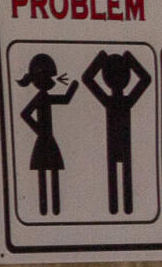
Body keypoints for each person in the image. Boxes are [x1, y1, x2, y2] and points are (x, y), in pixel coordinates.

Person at [81, 49, 151, 215]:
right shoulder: (123, 101)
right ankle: (121, 208)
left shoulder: (110, 100)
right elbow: (145, 79)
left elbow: (88, 78)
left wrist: (101, 58)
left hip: (117, 141)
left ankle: (122, 208)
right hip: (120, 141)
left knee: (120, 172)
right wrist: (129, 58)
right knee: (120, 172)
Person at [18, 53, 78, 217]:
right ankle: (45, 209)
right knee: (45, 171)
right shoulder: (40, 97)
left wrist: (73, 87)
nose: (52, 81)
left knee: (52, 169)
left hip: (47, 138)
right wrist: (39, 130)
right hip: (45, 138)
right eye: (50, 77)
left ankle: (54, 209)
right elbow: (25, 114)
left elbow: (64, 99)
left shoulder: (44, 96)